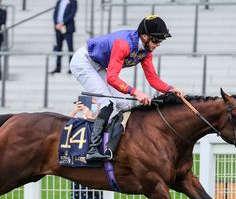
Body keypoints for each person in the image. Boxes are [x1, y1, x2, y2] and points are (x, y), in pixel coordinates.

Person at [70, 15, 185, 161]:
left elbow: (153, 79)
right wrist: (135, 92)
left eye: (160, 41)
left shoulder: (145, 52)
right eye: (156, 40)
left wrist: (170, 89)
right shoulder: (123, 44)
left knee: (124, 104)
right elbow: (112, 78)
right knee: (107, 103)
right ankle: (92, 149)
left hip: (98, 64)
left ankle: (114, 144)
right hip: (84, 62)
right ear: (144, 36)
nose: (158, 44)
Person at [68, 98, 103, 199]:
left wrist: (90, 115)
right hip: (77, 163)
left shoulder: (100, 111)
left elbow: (98, 131)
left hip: (90, 166)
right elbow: (65, 128)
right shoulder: (82, 114)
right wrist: (74, 112)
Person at [50, 0, 77, 75]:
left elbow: (72, 14)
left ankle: (72, 68)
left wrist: (62, 23)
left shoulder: (73, 2)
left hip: (68, 28)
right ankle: (58, 67)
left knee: (70, 48)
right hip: (58, 28)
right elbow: (55, 13)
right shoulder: (59, 2)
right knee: (58, 48)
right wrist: (56, 23)